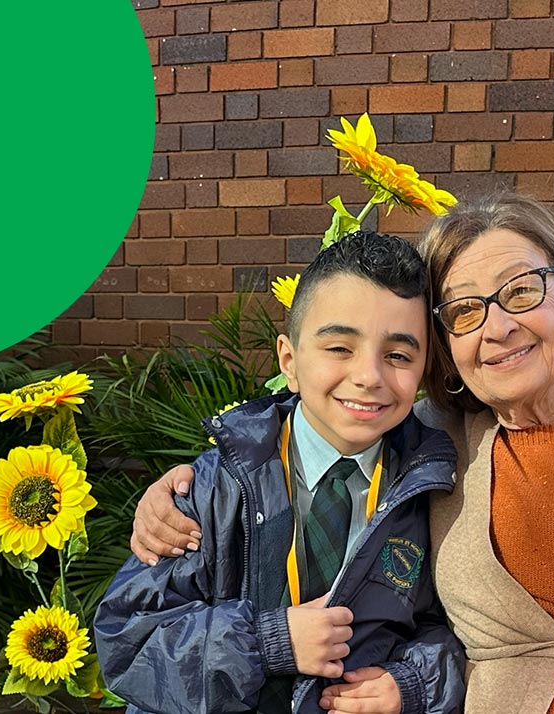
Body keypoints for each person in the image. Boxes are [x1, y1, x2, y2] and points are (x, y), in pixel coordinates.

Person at [129, 194, 554, 713]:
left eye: (522, 291)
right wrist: (188, 479)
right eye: (465, 310)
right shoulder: (439, 442)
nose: (499, 326)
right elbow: (326, 414)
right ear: (446, 347)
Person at [95, 231, 467, 714]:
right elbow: (128, 644)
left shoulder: (430, 490)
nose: (370, 376)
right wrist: (269, 641)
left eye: (398, 355)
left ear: (423, 367)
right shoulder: (213, 491)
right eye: (339, 348)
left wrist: (411, 684)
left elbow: (453, 629)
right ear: (289, 361)